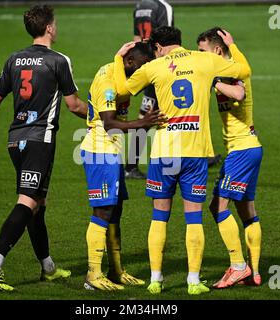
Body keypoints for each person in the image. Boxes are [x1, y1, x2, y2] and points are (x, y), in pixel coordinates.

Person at [114, 26, 251, 295]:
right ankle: (193, 281)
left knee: (159, 217)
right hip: (196, 152)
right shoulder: (205, 60)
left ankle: (155, 279)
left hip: (164, 152)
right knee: (194, 219)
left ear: (159, 47)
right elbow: (244, 71)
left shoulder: (153, 67)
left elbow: (121, 90)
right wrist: (232, 46)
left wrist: (120, 59)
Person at [0, 5, 87, 291]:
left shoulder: (14, 59)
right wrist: (102, 116)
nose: (56, 27)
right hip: (39, 140)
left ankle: (48, 267)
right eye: (55, 24)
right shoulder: (59, 61)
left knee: (38, 205)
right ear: (49, 29)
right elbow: (73, 105)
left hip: (15, 140)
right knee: (28, 202)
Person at [81, 42, 166, 291]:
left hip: (111, 152)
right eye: (142, 67)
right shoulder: (108, 79)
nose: (144, 73)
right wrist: (143, 122)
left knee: (115, 212)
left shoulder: (121, 75)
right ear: (130, 63)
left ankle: (115, 271)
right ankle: (93, 275)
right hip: (100, 150)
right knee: (103, 212)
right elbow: (109, 123)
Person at [197, 27, 263, 288]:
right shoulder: (228, 68)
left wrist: (213, 82)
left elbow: (239, 93)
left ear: (216, 50)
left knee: (217, 206)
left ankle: (239, 266)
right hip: (247, 148)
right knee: (246, 210)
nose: (200, 56)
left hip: (242, 150)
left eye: (202, 51)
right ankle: (254, 272)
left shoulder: (229, 71)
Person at [125, 0, 174, 179]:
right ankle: (194, 156)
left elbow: (136, 40)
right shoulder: (163, 7)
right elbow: (168, 41)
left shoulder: (139, 6)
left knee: (145, 114)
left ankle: (130, 166)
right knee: (181, 109)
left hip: (145, 65)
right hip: (161, 69)